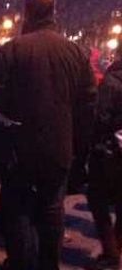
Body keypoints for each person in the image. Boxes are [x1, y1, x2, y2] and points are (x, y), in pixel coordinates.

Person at [0, 0, 96, 270]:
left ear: (27, 13)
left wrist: (1, 146)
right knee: (51, 208)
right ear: (54, 13)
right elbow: (87, 107)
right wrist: (79, 149)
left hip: (19, 148)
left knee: (19, 209)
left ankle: (22, 263)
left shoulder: (11, 51)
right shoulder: (76, 54)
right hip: (59, 147)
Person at [87, 42, 122, 270]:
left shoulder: (112, 82)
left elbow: (101, 118)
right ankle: (116, 246)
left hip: (111, 152)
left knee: (98, 200)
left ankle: (111, 253)